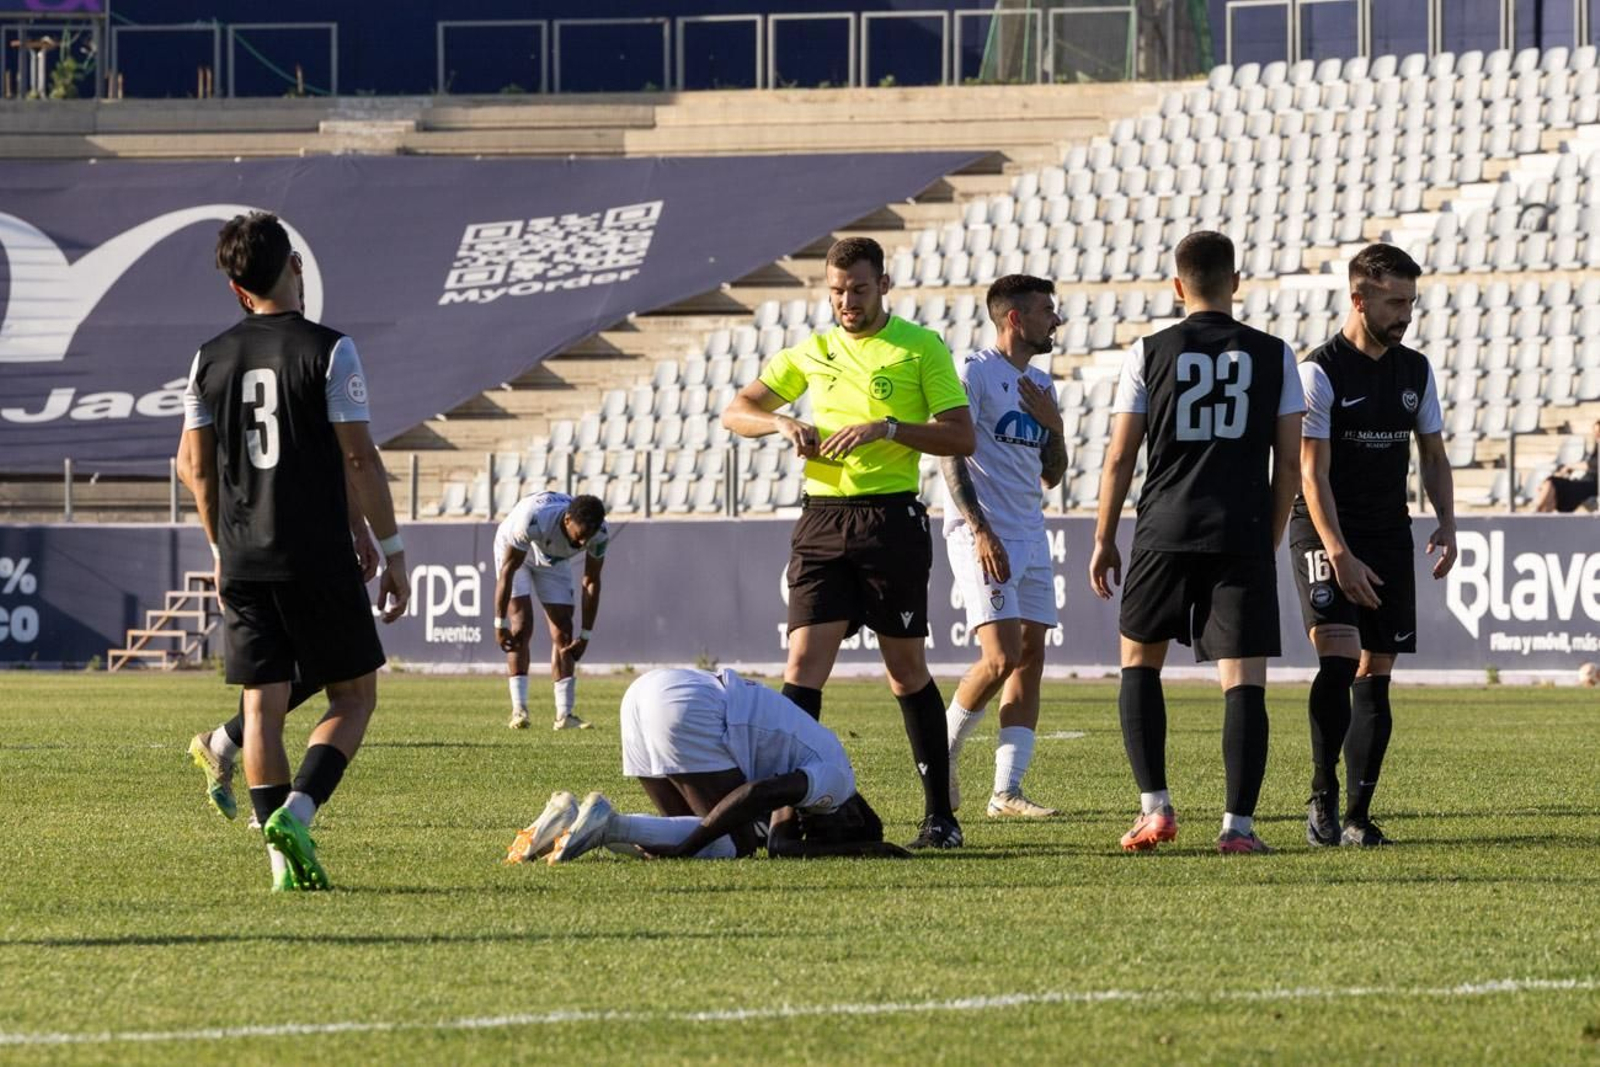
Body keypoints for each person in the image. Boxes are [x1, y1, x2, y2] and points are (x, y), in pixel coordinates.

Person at [178, 210, 409, 891]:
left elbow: (193, 465)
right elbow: (358, 458)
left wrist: (221, 546)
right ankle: (298, 813)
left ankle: (282, 865)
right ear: (295, 265)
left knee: (261, 708)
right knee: (355, 695)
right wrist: (390, 546)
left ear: (235, 288)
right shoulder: (330, 349)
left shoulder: (207, 358)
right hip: (313, 553)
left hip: (245, 558)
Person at [720, 236, 975, 849]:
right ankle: (785, 816)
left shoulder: (920, 346)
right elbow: (736, 410)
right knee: (802, 669)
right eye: (836, 291)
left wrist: (887, 429)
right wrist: (779, 421)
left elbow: (961, 436)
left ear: (882, 285)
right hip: (821, 522)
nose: (846, 301)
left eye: (858, 289)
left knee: (905, 671)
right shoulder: (812, 351)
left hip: (890, 522)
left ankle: (941, 816)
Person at [1089, 231, 1304, 855]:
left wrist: (1105, 537)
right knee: (1243, 680)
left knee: (1139, 663)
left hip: (1163, 527)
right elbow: (1288, 465)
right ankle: (1237, 826)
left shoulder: (1149, 351)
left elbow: (1121, 455)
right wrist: (1265, 537)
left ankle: (1154, 809)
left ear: (1178, 286)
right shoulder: (1274, 353)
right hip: (1238, 527)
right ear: (1235, 283)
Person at [1292, 243, 1456, 848]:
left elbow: (1433, 454)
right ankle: (1322, 799)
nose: (1406, 315)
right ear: (1359, 300)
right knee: (1338, 654)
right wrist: (1337, 552)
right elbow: (1310, 475)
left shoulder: (1415, 370)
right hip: (1322, 525)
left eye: (1411, 303)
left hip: (1388, 531)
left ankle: (1359, 817)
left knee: (1377, 670)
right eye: (1395, 302)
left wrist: (1447, 521)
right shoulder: (1320, 370)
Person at [503, 667, 907, 863]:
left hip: (651, 691)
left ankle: (568, 820)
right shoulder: (835, 780)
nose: (813, 829)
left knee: (695, 834)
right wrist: (866, 848)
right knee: (734, 842)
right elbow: (754, 795)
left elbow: (782, 847)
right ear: (849, 812)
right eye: (832, 833)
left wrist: (858, 848)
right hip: (691, 708)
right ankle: (609, 825)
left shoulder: (819, 777)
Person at [942, 274, 1069, 819]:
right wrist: (979, 530)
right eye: (1047, 310)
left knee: (1030, 658)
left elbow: (1053, 476)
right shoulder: (973, 371)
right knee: (1001, 657)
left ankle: (1006, 792)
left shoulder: (1042, 386)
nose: (1055, 320)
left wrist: (1054, 425)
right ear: (1014, 318)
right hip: (985, 534)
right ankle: (939, 758)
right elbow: (950, 454)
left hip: (1031, 534)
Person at [490, 491, 608, 731]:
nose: (584, 543)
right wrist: (499, 624)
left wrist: (585, 635)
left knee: (564, 632)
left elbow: (591, 581)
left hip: (554, 558)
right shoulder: (532, 519)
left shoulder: (600, 533)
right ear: (567, 520)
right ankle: (519, 711)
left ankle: (564, 715)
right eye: (580, 535)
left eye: (589, 536)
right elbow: (508, 571)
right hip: (517, 553)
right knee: (521, 626)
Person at [1533, 419, 1599, 513]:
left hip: (1592, 486)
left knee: (1552, 483)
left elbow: (1594, 465)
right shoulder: (1596, 449)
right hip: (1582, 482)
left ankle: (1537, 513)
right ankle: (1539, 514)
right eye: (1595, 432)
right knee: (1550, 485)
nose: (1596, 435)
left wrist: (1570, 466)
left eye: (1599, 432)